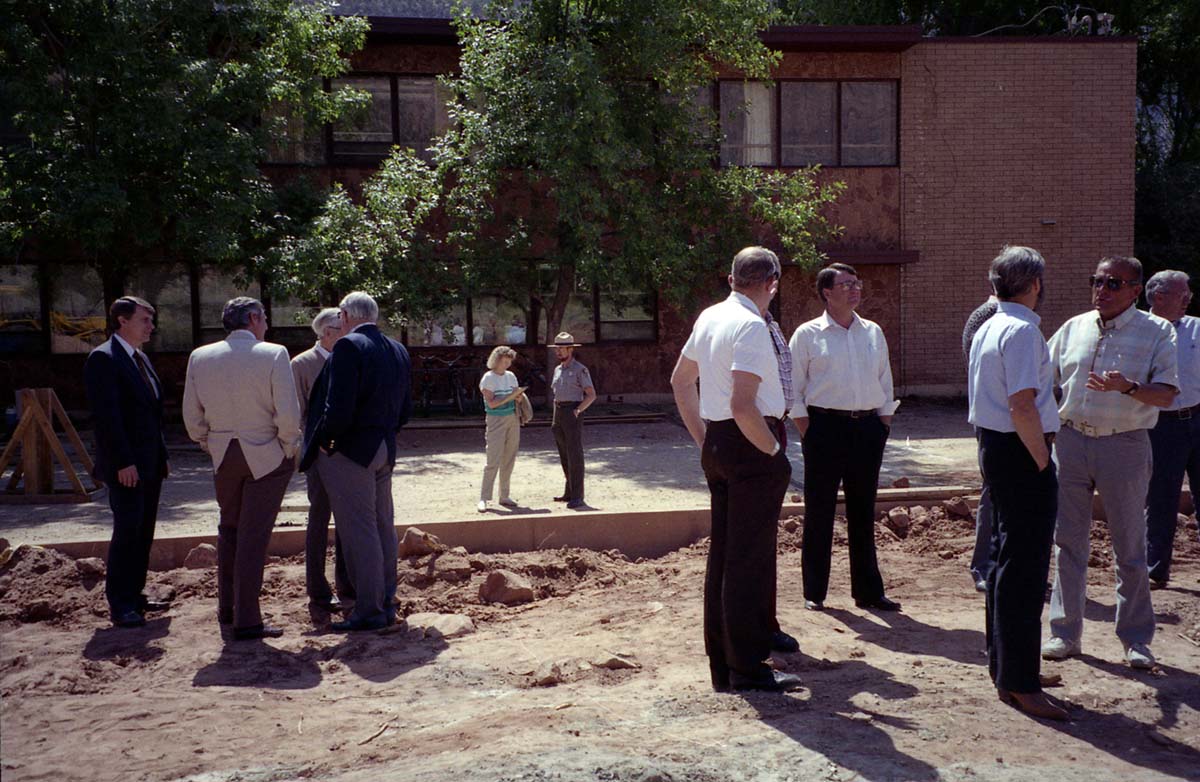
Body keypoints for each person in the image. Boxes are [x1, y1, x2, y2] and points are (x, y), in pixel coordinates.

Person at [671, 246, 801, 693]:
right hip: (750, 446)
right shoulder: (750, 326)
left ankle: (725, 664)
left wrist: (706, 440)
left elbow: (679, 382)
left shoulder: (710, 316)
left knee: (726, 557)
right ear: (772, 284)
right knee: (748, 562)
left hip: (722, 444)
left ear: (731, 279)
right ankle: (747, 668)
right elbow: (744, 406)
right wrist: (772, 453)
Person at [1043, 256, 1178, 670]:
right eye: (1097, 280)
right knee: (1068, 543)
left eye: (1113, 283)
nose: (1101, 289)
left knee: (1129, 547)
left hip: (1125, 446)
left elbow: (1168, 394)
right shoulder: (1074, 327)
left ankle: (1136, 640)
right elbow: (1045, 380)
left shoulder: (1158, 332)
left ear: (1136, 291)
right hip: (1071, 443)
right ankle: (1064, 634)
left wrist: (1130, 388)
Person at [968, 247, 1067, 721]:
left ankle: (1008, 668)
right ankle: (1020, 681)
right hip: (1020, 448)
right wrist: (1043, 460)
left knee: (1008, 561)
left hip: (996, 446)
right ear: (1034, 285)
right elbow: (1022, 404)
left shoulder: (989, 323)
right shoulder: (1023, 329)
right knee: (1024, 568)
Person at [183, 297, 301, 641]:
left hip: (223, 453)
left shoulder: (200, 356)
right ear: (252, 318)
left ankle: (228, 608)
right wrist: (286, 446)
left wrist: (209, 442)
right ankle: (247, 619)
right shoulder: (274, 353)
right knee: (254, 537)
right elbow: (288, 413)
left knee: (229, 530)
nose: (266, 324)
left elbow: (192, 415)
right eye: (263, 317)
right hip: (266, 452)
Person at [789, 263, 901, 612]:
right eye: (846, 284)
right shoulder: (807, 335)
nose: (855, 289)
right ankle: (815, 593)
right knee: (820, 511)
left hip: (868, 429)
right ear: (827, 292)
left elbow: (884, 380)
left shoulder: (872, 332)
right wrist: (809, 430)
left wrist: (883, 423)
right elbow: (794, 389)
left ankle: (868, 591)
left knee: (863, 511)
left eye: (857, 283)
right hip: (824, 428)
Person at [300, 291, 412, 632]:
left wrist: (326, 444)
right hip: (383, 447)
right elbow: (405, 408)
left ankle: (369, 611)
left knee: (359, 531)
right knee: (382, 526)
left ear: (346, 315)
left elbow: (338, 407)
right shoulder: (397, 348)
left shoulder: (348, 347)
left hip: (349, 452)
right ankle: (385, 599)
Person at [83, 296, 171, 628]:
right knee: (127, 531)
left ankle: (135, 595)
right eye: (144, 320)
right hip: (127, 467)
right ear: (122, 320)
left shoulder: (140, 359)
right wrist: (122, 462)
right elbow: (107, 418)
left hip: (149, 464)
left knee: (143, 531)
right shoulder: (103, 359)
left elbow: (150, 416)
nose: (151, 326)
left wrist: (161, 456)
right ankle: (120, 603)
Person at [291, 307, 350, 612]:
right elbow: (297, 412)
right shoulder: (301, 364)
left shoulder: (349, 358)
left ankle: (346, 584)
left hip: (348, 454)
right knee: (319, 518)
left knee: (347, 520)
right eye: (342, 327)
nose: (347, 331)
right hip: (318, 454)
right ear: (327, 331)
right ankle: (317, 589)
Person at [1143, 270, 1199, 588]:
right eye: (1183, 293)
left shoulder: (1196, 328)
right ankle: (1155, 571)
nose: (1188, 298)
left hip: (1198, 419)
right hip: (1161, 427)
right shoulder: (1140, 331)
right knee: (1161, 499)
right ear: (1160, 297)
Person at [963, 295, 999, 593]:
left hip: (1015, 419)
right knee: (993, 492)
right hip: (994, 420)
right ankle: (983, 564)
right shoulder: (986, 316)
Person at [549, 332, 596, 509]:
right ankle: (569, 492)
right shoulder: (557, 369)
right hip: (558, 411)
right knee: (564, 454)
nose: (559, 352)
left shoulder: (580, 369)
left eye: (562, 349)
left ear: (570, 349)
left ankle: (578, 496)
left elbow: (591, 395)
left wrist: (577, 410)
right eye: (557, 349)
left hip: (572, 411)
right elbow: (556, 393)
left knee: (575, 455)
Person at [478, 346, 526, 512]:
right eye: (505, 361)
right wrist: (509, 397)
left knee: (509, 458)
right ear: (497, 360)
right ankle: (484, 497)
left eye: (509, 362)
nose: (507, 365)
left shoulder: (511, 376)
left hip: (512, 418)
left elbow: (516, 398)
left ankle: (504, 495)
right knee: (493, 459)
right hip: (495, 420)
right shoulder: (488, 378)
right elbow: (491, 403)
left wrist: (519, 397)